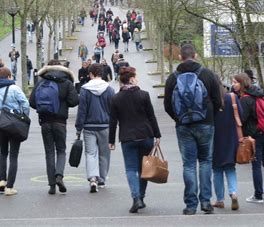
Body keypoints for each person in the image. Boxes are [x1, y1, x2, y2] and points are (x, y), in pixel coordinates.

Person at [163, 44, 223, 215]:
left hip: (184, 126)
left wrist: (178, 118)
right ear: (195, 55)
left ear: (180, 57)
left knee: (188, 165)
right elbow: (218, 100)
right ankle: (206, 202)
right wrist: (210, 118)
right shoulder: (207, 74)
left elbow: (167, 105)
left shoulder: (173, 77)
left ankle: (190, 205)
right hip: (206, 124)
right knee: (205, 162)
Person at [109, 66, 162, 213]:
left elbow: (113, 121)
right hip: (146, 135)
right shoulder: (144, 95)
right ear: (132, 79)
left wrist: (111, 140)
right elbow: (151, 116)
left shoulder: (116, 98)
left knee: (131, 169)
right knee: (144, 169)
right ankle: (141, 197)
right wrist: (157, 135)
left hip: (127, 137)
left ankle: (136, 198)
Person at [29, 60, 79, 195]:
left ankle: (51, 185)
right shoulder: (66, 82)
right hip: (60, 122)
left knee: (49, 152)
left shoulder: (41, 82)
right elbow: (74, 101)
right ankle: (59, 176)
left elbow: (32, 102)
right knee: (61, 150)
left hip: (45, 122)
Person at [0, 67, 30, 196]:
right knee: (13, 156)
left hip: (1, 127)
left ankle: (2, 180)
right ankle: (10, 187)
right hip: (15, 126)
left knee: (3, 153)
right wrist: (23, 118)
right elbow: (25, 104)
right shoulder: (14, 89)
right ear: (9, 77)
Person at [232, 73, 264, 204]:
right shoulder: (262, 93)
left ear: (242, 83)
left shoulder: (245, 99)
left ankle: (258, 195)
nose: (233, 84)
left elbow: (243, 119)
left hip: (255, 134)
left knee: (256, 164)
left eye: (235, 82)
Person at [75, 63, 115, 193]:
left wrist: (79, 127)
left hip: (89, 126)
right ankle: (102, 179)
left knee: (90, 153)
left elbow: (82, 110)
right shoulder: (109, 89)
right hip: (105, 125)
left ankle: (92, 178)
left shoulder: (85, 89)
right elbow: (113, 110)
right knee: (104, 154)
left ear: (91, 74)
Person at [212, 91, 242, 211]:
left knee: (217, 169)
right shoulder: (232, 97)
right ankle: (233, 192)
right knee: (230, 167)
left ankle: (220, 200)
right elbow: (241, 114)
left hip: (215, 137)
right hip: (231, 137)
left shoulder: (210, 98)